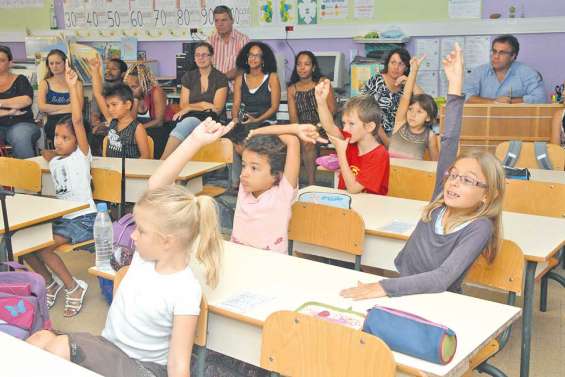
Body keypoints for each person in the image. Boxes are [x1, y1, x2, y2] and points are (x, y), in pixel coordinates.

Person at [341, 44, 506, 299]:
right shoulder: (438, 204)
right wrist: (454, 87)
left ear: (487, 195)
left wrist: (383, 287)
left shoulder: (480, 227)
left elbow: (441, 279)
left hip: (439, 300)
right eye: (453, 175)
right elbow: (450, 143)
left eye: (468, 180)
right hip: (405, 289)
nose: (453, 183)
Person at [27, 183, 223, 377]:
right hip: (110, 349)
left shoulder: (185, 289)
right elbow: (157, 182)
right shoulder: (143, 257)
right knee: (39, 339)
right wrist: (191, 147)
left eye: (141, 230)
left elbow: (178, 366)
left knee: (59, 348)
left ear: (167, 241)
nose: (132, 235)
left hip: (143, 368)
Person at [151, 118, 321, 253]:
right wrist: (254, 132)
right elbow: (252, 136)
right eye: (245, 165)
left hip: (271, 268)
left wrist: (294, 129)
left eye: (254, 168)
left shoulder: (283, 192)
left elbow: (292, 141)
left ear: (276, 176)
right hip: (240, 259)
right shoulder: (245, 190)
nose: (244, 173)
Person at [23, 63, 92, 317]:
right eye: (57, 137)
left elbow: (76, 119)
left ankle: (74, 287)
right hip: (64, 218)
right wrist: (51, 151)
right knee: (24, 244)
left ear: (78, 141)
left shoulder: (82, 157)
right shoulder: (56, 159)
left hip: (84, 217)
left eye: (66, 138)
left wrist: (75, 88)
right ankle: (49, 283)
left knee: (42, 247)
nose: (59, 141)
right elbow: (47, 151)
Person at [316, 80, 389, 195]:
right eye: (344, 123)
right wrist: (321, 102)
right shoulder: (350, 139)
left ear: (369, 127)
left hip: (368, 210)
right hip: (347, 207)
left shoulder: (379, 154)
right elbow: (329, 126)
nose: (345, 129)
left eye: (351, 124)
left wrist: (341, 154)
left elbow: (353, 189)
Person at [161, 42, 228, 160]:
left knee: (187, 123)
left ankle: (164, 160)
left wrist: (191, 106)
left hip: (211, 121)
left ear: (211, 57)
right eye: (197, 55)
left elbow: (216, 109)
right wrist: (202, 105)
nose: (201, 58)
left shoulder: (220, 78)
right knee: (185, 123)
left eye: (204, 55)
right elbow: (183, 105)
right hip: (191, 117)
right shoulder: (189, 76)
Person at [229, 41, 281, 190]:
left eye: (257, 56)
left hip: (266, 122)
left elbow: (274, 107)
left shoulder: (272, 78)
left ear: (263, 60)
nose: (253, 58)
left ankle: (252, 180)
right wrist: (235, 120)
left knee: (249, 140)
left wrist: (257, 120)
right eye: (251, 55)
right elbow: (236, 105)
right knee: (231, 137)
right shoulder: (240, 78)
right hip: (246, 122)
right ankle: (237, 182)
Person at [287, 51, 336, 185]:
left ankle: (311, 184)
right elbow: (293, 118)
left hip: (324, 126)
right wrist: (300, 130)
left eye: (307, 64)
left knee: (308, 144)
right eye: (299, 64)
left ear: (313, 67)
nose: (302, 68)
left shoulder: (322, 82)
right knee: (291, 142)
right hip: (303, 128)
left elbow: (332, 110)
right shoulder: (292, 89)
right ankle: (290, 185)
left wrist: (317, 127)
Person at [89, 57, 150, 159]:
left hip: (129, 172)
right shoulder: (112, 121)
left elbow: (145, 156)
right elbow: (98, 94)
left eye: (114, 105)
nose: (110, 109)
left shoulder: (137, 128)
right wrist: (95, 71)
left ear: (127, 105)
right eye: (108, 106)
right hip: (112, 171)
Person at [464, 34, 546, 104]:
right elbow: (466, 97)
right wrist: (494, 102)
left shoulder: (527, 73)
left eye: (502, 53)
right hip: (485, 119)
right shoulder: (479, 72)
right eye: (494, 51)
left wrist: (510, 101)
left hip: (516, 119)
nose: (496, 56)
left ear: (513, 56)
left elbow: (540, 98)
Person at [361, 48, 423, 135]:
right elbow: (366, 115)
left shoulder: (406, 85)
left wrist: (410, 82)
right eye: (393, 62)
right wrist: (387, 142)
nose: (396, 67)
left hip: (400, 134)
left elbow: (424, 102)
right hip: (376, 134)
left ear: (406, 68)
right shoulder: (376, 81)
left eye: (400, 64)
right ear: (387, 64)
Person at [388, 55, 439, 160]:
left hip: (412, 175)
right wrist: (413, 70)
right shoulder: (400, 123)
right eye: (410, 109)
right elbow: (406, 96)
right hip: (390, 174)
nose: (413, 114)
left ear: (428, 118)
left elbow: (435, 163)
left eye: (419, 112)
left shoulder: (429, 136)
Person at [0, 45, 40, 158]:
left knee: (19, 135)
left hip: (22, 124)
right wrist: (9, 111)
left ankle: (27, 174)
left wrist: (0, 103)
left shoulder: (20, 79)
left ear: (10, 63)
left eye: (2, 60)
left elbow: (25, 100)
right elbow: (18, 102)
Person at [38, 49, 84, 146]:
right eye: (51, 63)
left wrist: (51, 109)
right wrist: (68, 107)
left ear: (65, 63)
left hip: (74, 119)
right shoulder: (44, 83)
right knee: (62, 136)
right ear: (48, 65)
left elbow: (79, 108)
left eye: (58, 63)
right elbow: (42, 107)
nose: (54, 66)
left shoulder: (77, 83)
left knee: (79, 132)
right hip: (53, 121)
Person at [89, 58, 128, 156]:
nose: (108, 71)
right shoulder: (101, 89)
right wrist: (97, 125)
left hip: (120, 126)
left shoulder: (126, 91)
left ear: (123, 74)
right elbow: (95, 116)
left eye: (114, 69)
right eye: (107, 68)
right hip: (103, 125)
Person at [207, 5, 250, 80]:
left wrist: (221, 80)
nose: (220, 24)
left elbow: (243, 68)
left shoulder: (243, 40)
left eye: (224, 20)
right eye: (217, 20)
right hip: (215, 89)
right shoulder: (209, 41)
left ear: (232, 21)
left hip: (236, 89)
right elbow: (206, 67)